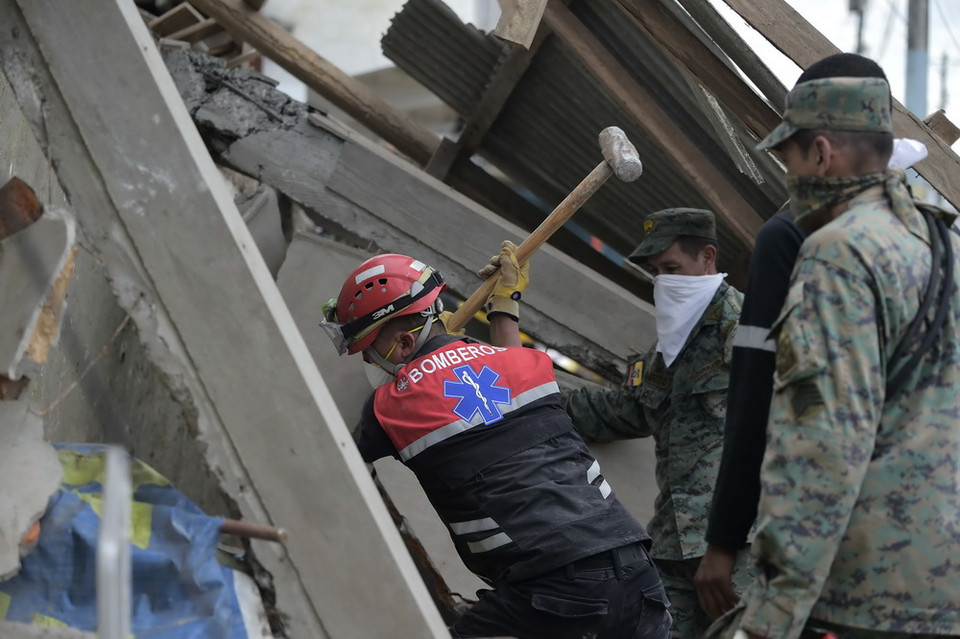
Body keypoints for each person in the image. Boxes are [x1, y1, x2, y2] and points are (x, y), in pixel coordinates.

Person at [713, 53, 960, 639]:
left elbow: (823, 446)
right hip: (940, 588)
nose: (790, 178)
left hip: (859, 595)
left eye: (791, 159)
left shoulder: (839, 252)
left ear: (821, 154)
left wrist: (768, 620)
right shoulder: (940, 244)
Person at [319, 243, 672, 639]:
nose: (368, 363)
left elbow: (328, 456)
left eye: (368, 351)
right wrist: (505, 305)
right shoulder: (527, 366)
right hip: (639, 576)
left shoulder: (389, 407)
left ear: (402, 344)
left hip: (553, 588)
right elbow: (500, 373)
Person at [563, 208, 747, 639]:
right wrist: (529, 394)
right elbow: (620, 412)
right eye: (656, 272)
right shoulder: (668, 348)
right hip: (674, 544)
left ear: (707, 257)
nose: (663, 281)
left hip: (740, 545)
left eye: (672, 268)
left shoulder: (747, 328)